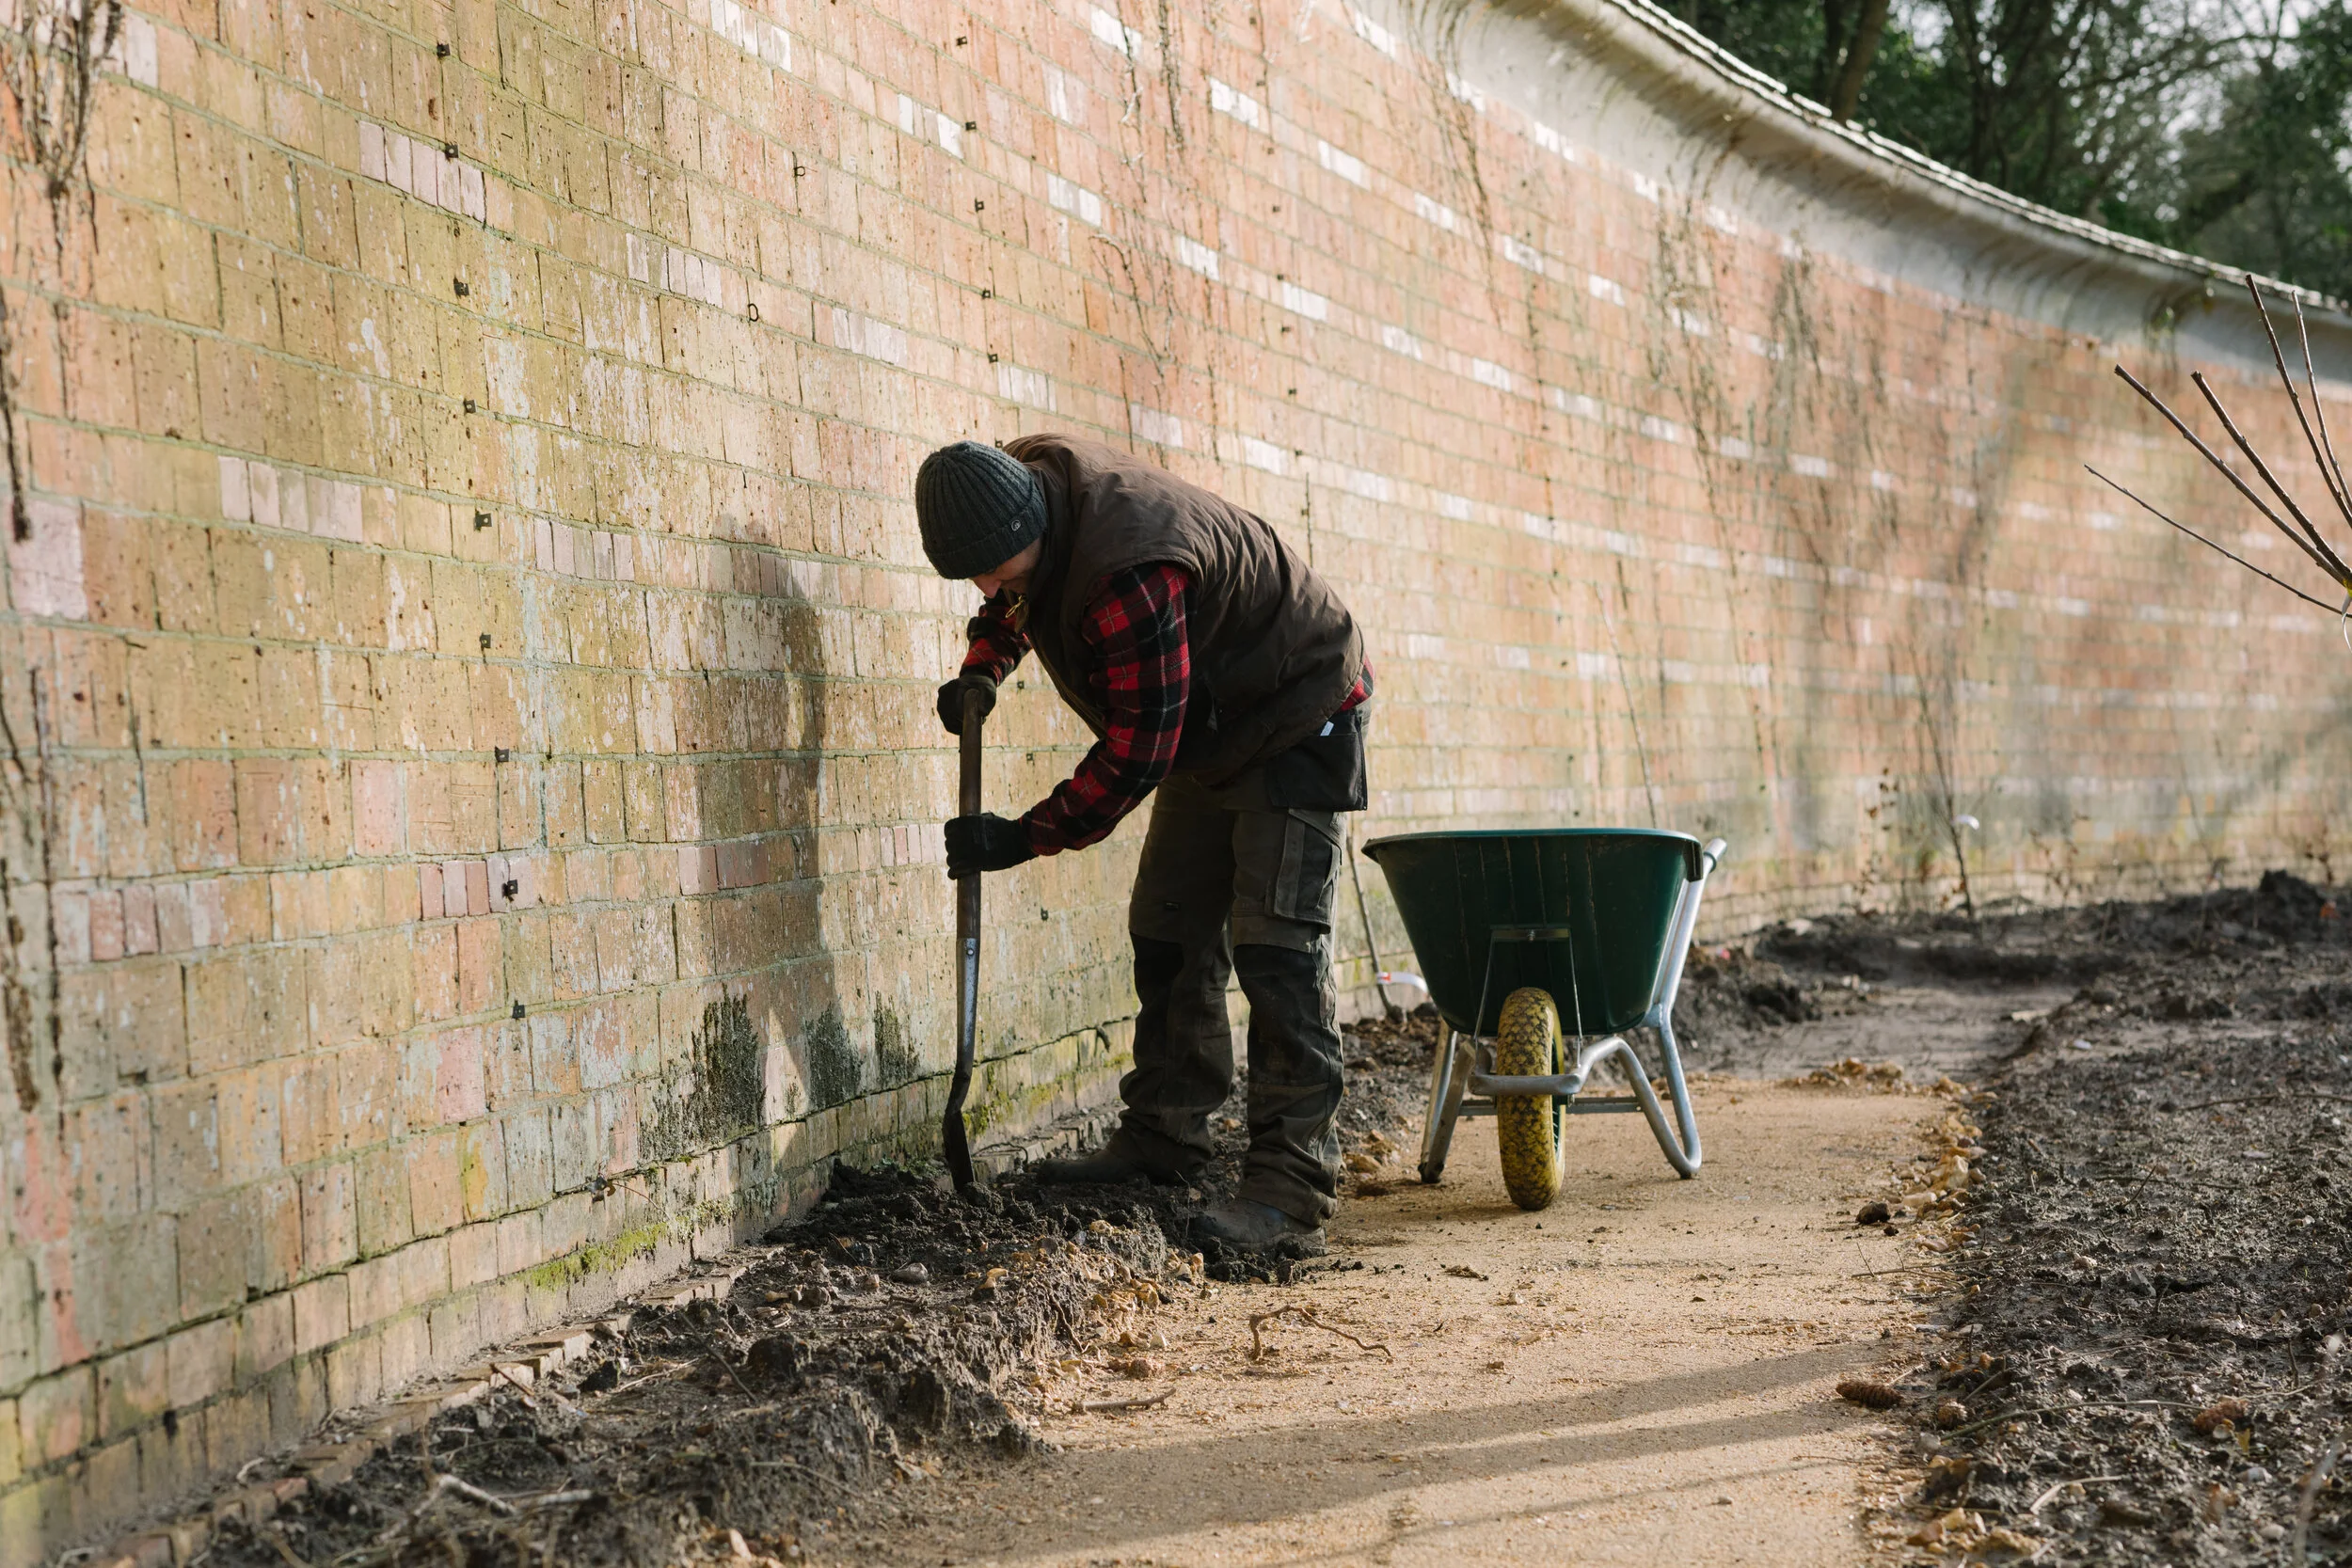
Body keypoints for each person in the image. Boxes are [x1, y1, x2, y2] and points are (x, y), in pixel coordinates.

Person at [915, 433, 1372, 1247]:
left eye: (995, 569)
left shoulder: (1131, 571)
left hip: (1296, 708)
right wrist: (984, 666)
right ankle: (1165, 1133)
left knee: (1277, 948)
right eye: (974, 575)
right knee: (1167, 926)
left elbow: (1133, 758)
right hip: (1212, 722)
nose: (989, 584)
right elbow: (1016, 594)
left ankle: (1290, 1188)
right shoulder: (1025, 491)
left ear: (1033, 523)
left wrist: (1021, 837)